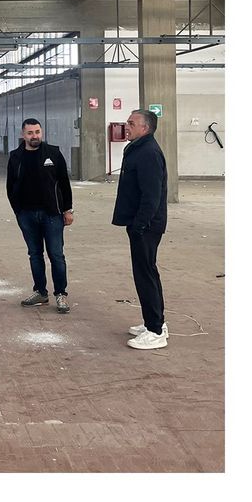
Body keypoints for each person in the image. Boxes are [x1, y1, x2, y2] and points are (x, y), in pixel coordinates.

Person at [112, 109, 169, 350]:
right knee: (147, 272)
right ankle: (154, 323)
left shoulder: (148, 153)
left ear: (145, 128)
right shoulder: (138, 148)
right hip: (140, 223)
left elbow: (152, 195)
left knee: (145, 275)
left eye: (131, 123)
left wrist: (140, 224)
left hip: (146, 225)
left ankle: (155, 331)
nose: (127, 126)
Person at [6, 118, 74, 313]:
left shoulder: (53, 153)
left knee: (56, 255)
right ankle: (40, 293)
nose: (34, 136)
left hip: (52, 214)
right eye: (30, 133)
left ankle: (60, 294)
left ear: (41, 132)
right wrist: (18, 211)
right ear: (23, 135)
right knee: (35, 254)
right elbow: (10, 186)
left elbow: (64, 183)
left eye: (37, 132)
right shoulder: (15, 156)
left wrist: (67, 209)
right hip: (26, 215)